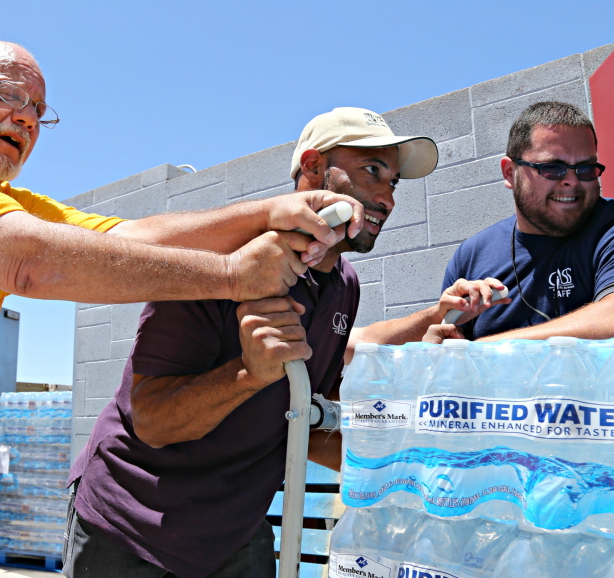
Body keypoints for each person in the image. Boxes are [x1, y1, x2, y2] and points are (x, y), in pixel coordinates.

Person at [0, 39, 365, 577]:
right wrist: (232, 274)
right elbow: (27, 262)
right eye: (10, 94)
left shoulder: (4, 202)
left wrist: (269, 211)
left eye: (40, 112)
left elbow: (135, 235)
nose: (27, 119)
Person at [64, 107, 455, 577]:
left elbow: (306, 415)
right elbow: (152, 420)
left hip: (235, 528)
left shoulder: (343, 285)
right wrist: (247, 375)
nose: (386, 196)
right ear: (312, 168)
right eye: (371, 170)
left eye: (394, 181)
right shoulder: (219, 260)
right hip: (133, 524)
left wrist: (412, 458)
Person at [436, 101, 614, 341]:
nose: (572, 180)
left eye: (586, 168)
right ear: (510, 173)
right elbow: (447, 345)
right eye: (552, 168)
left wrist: (479, 351)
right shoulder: (472, 256)